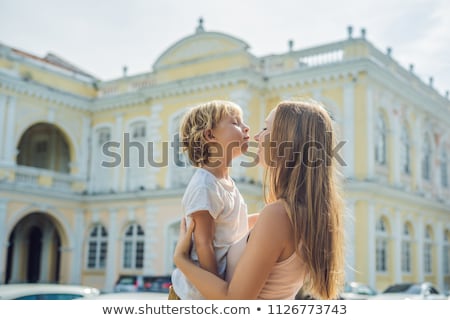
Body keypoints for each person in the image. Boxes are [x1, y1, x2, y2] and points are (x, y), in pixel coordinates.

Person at [173, 99, 345, 300]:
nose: (256, 135)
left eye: (266, 129)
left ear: (287, 141)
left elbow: (234, 301)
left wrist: (181, 259)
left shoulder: (278, 215)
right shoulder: (302, 215)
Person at [169, 100, 251, 300]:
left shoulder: (225, 182)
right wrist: (215, 288)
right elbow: (203, 243)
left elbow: (233, 225)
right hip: (195, 296)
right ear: (209, 135)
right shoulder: (204, 185)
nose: (246, 127)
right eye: (235, 122)